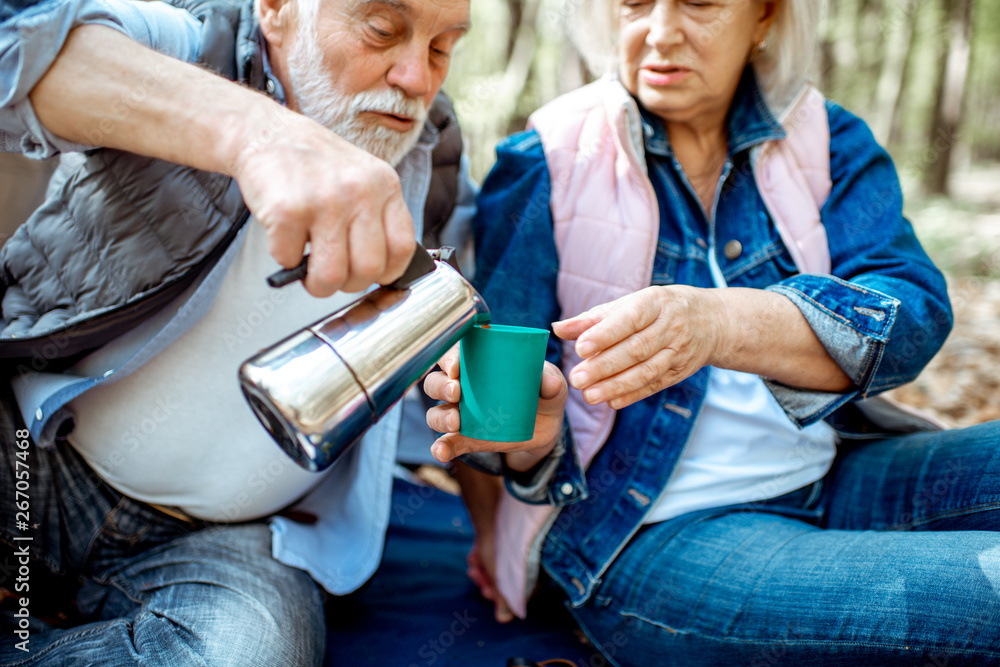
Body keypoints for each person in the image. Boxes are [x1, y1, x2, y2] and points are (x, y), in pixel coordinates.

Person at [423, 0, 1000, 664]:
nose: (662, 32)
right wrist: (526, 452)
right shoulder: (546, 159)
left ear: (765, 17)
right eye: (636, 2)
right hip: (648, 533)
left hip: (836, 470)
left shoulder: (826, 140)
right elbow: (496, 419)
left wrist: (721, 323)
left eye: (700, 2)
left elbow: (913, 311)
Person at [0, 0, 475, 661]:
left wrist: (523, 447)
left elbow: (465, 375)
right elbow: (16, 42)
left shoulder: (441, 162)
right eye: (381, 29)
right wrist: (259, 135)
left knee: (248, 652)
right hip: (31, 456)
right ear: (276, 10)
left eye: (442, 48)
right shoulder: (193, 42)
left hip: (216, 540)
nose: (416, 80)